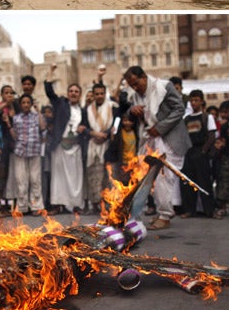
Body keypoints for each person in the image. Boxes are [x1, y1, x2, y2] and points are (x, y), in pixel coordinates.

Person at [123, 66, 192, 230]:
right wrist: (132, 110)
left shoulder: (164, 87)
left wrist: (160, 128)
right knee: (150, 178)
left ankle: (165, 216)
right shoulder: (136, 96)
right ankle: (161, 212)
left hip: (169, 139)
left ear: (144, 77)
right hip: (150, 140)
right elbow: (129, 112)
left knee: (164, 177)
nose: (135, 88)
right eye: (131, 85)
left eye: (136, 83)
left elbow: (179, 109)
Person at [44, 66, 88, 215]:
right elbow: (49, 92)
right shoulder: (61, 105)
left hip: (76, 147)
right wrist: (51, 73)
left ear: (80, 94)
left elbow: (87, 127)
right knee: (59, 178)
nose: (73, 93)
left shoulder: (83, 111)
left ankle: (75, 205)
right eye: (71, 91)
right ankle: (57, 205)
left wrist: (83, 129)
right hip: (60, 147)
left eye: (76, 91)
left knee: (76, 178)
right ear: (68, 94)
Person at [7, 94, 46, 215]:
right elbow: (14, 136)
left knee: (35, 179)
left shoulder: (36, 117)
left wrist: (38, 110)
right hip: (20, 152)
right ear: (20, 105)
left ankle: (36, 206)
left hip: (34, 151)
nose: (25, 105)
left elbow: (43, 128)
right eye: (23, 103)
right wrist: (8, 123)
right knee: (21, 179)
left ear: (31, 104)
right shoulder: (16, 118)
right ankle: (22, 206)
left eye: (28, 102)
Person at [180, 90, 216, 218]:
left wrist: (203, 151)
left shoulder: (207, 117)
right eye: (192, 100)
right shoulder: (187, 119)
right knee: (187, 182)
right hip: (189, 152)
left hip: (201, 151)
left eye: (196, 100)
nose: (194, 103)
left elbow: (212, 136)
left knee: (204, 182)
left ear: (201, 101)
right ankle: (189, 210)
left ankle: (209, 210)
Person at [84, 83, 114, 215]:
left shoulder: (113, 107)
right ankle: (95, 204)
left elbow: (116, 124)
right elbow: (83, 126)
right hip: (93, 146)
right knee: (93, 176)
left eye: (102, 93)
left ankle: (107, 204)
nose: (99, 96)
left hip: (107, 145)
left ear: (105, 93)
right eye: (97, 94)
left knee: (107, 177)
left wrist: (106, 134)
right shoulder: (88, 109)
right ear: (94, 95)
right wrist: (93, 133)